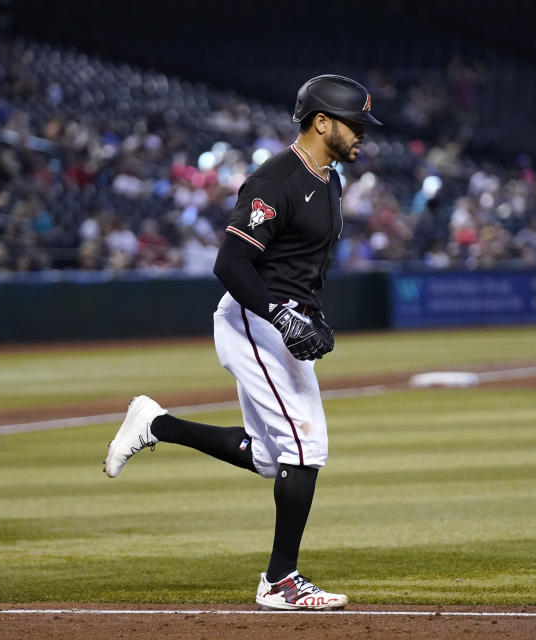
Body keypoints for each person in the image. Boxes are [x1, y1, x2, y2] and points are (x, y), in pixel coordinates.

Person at [103, 75, 381, 610]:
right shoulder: (274, 180)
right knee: (307, 446)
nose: (362, 134)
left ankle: (155, 423)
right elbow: (230, 263)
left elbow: (299, 266)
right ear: (322, 122)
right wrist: (280, 315)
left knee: (271, 459)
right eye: (355, 124)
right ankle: (279, 581)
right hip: (252, 321)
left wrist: (312, 316)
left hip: (279, 318)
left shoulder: (330, 180)